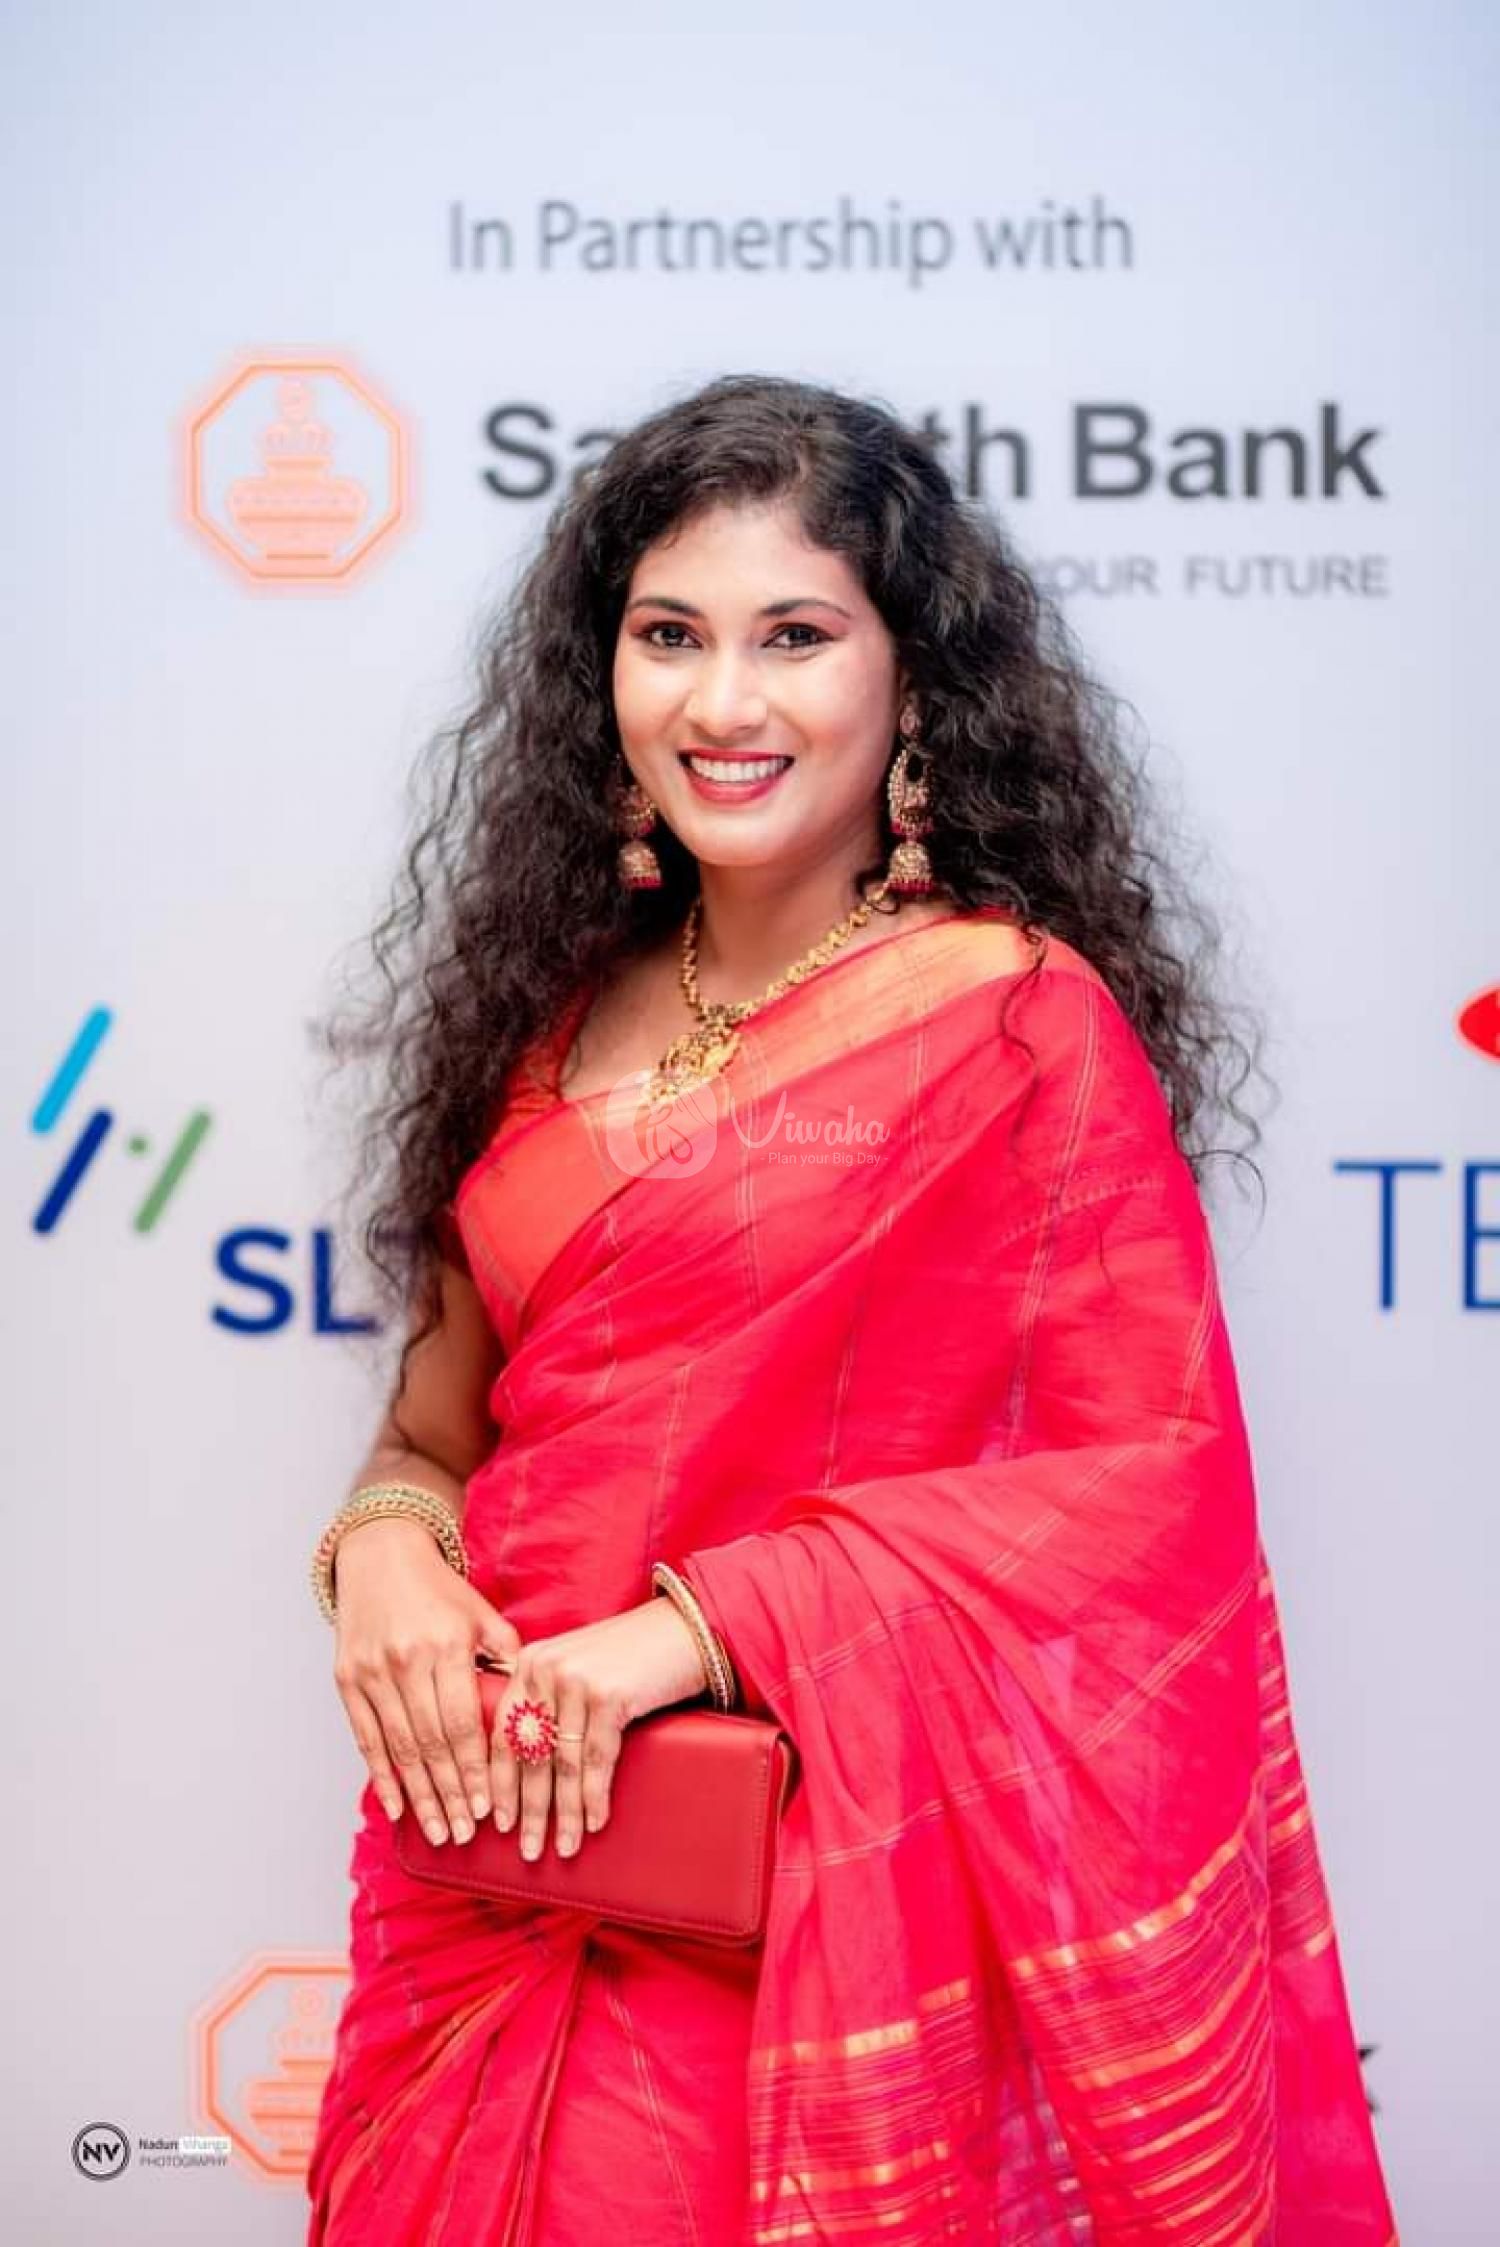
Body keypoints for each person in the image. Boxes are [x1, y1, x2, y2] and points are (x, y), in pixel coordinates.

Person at [303, 375, 1398, 2244]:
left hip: (795, 1905)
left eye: (795, 637)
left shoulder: (1011, 1024)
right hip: (485, 1875)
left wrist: (695, 1630)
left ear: (911, 684)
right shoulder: (540, 1018)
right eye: (670, 636)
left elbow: (1138, 1508)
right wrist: (385, 1554)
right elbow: (432, 1431)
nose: (723, 705)